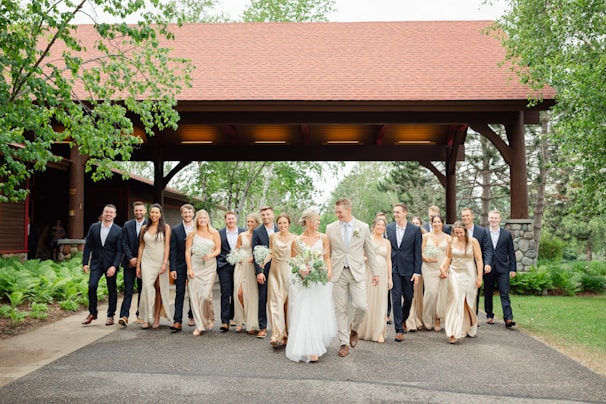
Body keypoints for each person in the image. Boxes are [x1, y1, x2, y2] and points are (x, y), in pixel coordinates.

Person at [326, 198, 378, 357]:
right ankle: (343, 342)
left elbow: (370, 251)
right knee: (340, 308)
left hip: (357, 272)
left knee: (362, 306)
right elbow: (327, 252)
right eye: (336, 212)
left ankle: (354, 329)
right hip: (338, 272)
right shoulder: (330, 228)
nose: (337, 215)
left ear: (349, 210)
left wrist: (376, 273)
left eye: (340, 212)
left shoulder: (363, 227)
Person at [286, 208, 337, 362]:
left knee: (318, 311)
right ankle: (309, 348)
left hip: (319, 279)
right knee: (305, 311)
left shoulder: (324, 238)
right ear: (308, 221)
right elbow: (293, 260)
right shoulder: (296, 240)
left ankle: (317, 342)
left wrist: (328, 272)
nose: (318, 223)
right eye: (316, 220)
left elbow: (327, 258)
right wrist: (301, 270)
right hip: (305, 280)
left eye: (319, 220)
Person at [440, 221, 483, 344]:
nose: (458, 235)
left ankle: (469, 325)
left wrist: (479, 277)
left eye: (460, 233)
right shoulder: (451, 241)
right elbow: (448, 257)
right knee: (456, 298)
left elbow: (479, 260)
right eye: (456, 233)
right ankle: (453, 332)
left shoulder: (473, 242)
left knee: (468, 300)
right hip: (454, 272)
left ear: (465, 231)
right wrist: (443, 268)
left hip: (470, 272)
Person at [386, 203, 422, 342]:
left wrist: (417, 272)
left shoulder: (414, 230)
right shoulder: (389, 228)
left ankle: (403, 319)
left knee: (408, 297)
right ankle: (399, 330)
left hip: (409, 269)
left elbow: (417, 252)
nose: (395, 214)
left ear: (405, 213)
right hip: (394, 268)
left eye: (398, 212)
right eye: (394, 212)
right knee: (395, 299)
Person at [82, 204, 123, 326]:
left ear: (115, 215)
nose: (108, 214)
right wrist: (85, 262)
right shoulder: (94, 227)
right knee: (92, 286)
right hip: (96, 263)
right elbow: (88, 245)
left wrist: (114, 266)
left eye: (111, 212)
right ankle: (92, 313)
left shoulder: (119, 230)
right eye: (106, 212)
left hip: (110, 264)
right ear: (103, 213)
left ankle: (110, 315)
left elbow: (119, 251)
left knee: (112, 290)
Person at [136, 203, 173, 329]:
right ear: (149, 214)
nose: (154, 215)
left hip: (160, 260)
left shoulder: (166, 228)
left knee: (159, 288)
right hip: (147, 261)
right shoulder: (144, 228)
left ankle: (157, 317)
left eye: (156, 212)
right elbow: (141, 247)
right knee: (146, 287)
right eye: (152, 212)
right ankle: (146, 318)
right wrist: (138, 266)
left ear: (160, 214)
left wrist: (165, 262)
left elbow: (167, 245)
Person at [357, 216, 392, 343]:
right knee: (368, 300)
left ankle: (379, 332)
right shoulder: (368, 240)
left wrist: (390, 278)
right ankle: (364, 329)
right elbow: (360, 256)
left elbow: (388, 260)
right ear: (374, 226)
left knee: (381, 301)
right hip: (369, 272)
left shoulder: (387, 242)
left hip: (383, 273)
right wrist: (369, 259)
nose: (381, 227)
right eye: (379, 225)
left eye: (383, 226)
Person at [186, 209, 221, 336]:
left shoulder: (214, 233)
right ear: (197, 220)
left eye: (204, 218)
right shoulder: (192, 234)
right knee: (195, 296)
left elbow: (218, 249)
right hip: (195, 266)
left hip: (209, 267)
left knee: (206, 296)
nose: (202, 220)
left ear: (208, 219)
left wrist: (210, 255)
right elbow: (187, 252)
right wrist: (189, 268)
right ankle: (199, 325)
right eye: (200, 218)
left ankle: (209, 317)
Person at [266, 213, 295, 348]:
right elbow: (270, 253)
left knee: (288, 304)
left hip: (289, 272)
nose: (282, 225)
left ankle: (288, 334)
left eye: (285, 223)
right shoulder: (273, 236)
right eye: (280, 223)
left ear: (289, 224)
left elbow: (297, 256)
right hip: (275, 272)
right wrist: (262, 262)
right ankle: (276, 335)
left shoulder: (295, 238)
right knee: (274, 302)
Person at [485, 210, 517, 328]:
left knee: (504, 292)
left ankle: (508, 318)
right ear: (488, 219)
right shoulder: (485, 233)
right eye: (491, 218)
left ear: (500, 219)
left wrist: (512, 268)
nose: (493, 220)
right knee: (488, 292)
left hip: (503, 267)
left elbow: (511, 252)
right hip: (488, 267)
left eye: (495, 218)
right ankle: (489, 315)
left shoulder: (506, 234)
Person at [460, 207, 493, 314]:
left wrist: (487, 263)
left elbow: (487, 249)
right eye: (463, 216)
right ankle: (461, 316)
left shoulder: (482, 232)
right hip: (459, 266)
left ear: (472, 216)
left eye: (467, 215)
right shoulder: (458, 230)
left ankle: (473, 317)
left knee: (474, 293)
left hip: (474, 266)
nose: (465, 218)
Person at [252, 206, 278, 339]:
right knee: (263, 298)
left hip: (279, 270)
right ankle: (262, 327)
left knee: (279, 299)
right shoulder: (257, 232)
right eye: (263, 215)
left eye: (268, 214)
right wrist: (259, 272)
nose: (266, 217)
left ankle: (279, 328)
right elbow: (255, 253)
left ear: (272, 215)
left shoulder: (280, 229)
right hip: (264, 270)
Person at [421, 215, 451, 332]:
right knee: (431, 293)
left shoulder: (448, 238)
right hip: (429, 268)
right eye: (435, 222)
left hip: (442, 268)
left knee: (441, 295)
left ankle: (438, 319)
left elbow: (449, 255)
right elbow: (420, 250)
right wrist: (426, 259)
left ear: (442, 223)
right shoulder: (425, 236)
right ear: (431, 223)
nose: (437, 224)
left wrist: (445, 269)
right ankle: (427, 319)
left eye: (439, 222)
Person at [119, 201, 146, 327]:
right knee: (128, 290)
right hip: (129, 263)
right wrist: (131, 258)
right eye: (136, 210)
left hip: (145, 263)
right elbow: (124, 242)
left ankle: (140, 314)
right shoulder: (127, 225)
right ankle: (124, 316)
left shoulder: (150, 225)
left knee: (142, 289)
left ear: (145, 211)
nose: (138, 212)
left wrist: (139, 261)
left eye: (140, 210)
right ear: (133, 211)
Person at [169, 204, 196, 332]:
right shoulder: (175, 230)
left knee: (193, 292)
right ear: (181, 214)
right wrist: (172, 268)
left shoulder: (198, 228)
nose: (187, 215)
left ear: (193, 214)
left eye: (189, 213)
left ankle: (192, 315)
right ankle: (177, 321)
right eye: (185, 213)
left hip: (195, 265)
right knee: (179, 292)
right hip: (180, 265)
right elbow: (172, 250)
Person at [216, 211, 245, 332]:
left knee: (236, 291)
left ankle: (235, 317)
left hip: (239, 266)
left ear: (236, 219)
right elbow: (216, 247)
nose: (231, 221)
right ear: (225, 220)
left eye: (233, 218)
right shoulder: (219, 233)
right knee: (225, 292)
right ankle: (224, 321)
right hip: (224, 266)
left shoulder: (243, 232)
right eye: (229, 219)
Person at [233, 213, 261, 334]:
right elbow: (236, 249)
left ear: (257, 223)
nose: (249, 224)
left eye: (252, 222)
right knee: (239, 294)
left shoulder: (259, 235)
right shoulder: (241, 235)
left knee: (251, 295)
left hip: (252, 267)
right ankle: (240, 319)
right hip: (241, 266)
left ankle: (251, 322)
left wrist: (255, 259)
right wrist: (237, 257)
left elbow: (263, 250)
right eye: (248, 221)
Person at [405, 216, 426, 332]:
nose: (415, 225)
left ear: (421, 224)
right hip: (409, 268)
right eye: (413, 223)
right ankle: (410, 321)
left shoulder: (425, 237)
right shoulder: (408, 235)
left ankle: (418, 318)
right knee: (410, 295)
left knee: (418, 296)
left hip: (421, 268)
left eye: (417, 223)